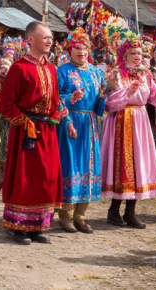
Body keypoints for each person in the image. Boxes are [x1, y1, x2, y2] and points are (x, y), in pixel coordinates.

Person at [0, 21, 69, 245]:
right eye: (45, 37)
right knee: (25, 178)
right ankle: (18, 226)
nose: (50, 41)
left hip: (47, 130)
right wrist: (24, 122)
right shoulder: (19, 68)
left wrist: (57, 113)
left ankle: (38, 225)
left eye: (51, 38)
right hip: (26, 132)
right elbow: (4, 104)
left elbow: (54, 100)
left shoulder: (51, 68)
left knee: (46, 177)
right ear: (30, 40)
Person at [101, 36, 156, 228]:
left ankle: (130, 212)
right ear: (124, 55)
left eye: (140, 53)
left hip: (140, 121)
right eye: (133, 53)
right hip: (121, 120)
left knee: (137, 163)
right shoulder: (116, 74)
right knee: (121, 164)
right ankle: (114, 210)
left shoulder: (145, 74)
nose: (137, 56)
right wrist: (126, 93)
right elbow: (107, 102)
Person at [55, 28, 106, 233]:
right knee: (71, 166)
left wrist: (102, 97)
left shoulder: (96, 72)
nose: (81, 51)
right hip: (70, 122)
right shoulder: (62, 71)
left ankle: (81, 216)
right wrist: (69, 107)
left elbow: (99, 108)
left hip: (89, 124)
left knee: (88, 167)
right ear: (70, 50)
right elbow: (56, 98)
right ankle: (65, 216)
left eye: (84, 48)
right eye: (77, 47)